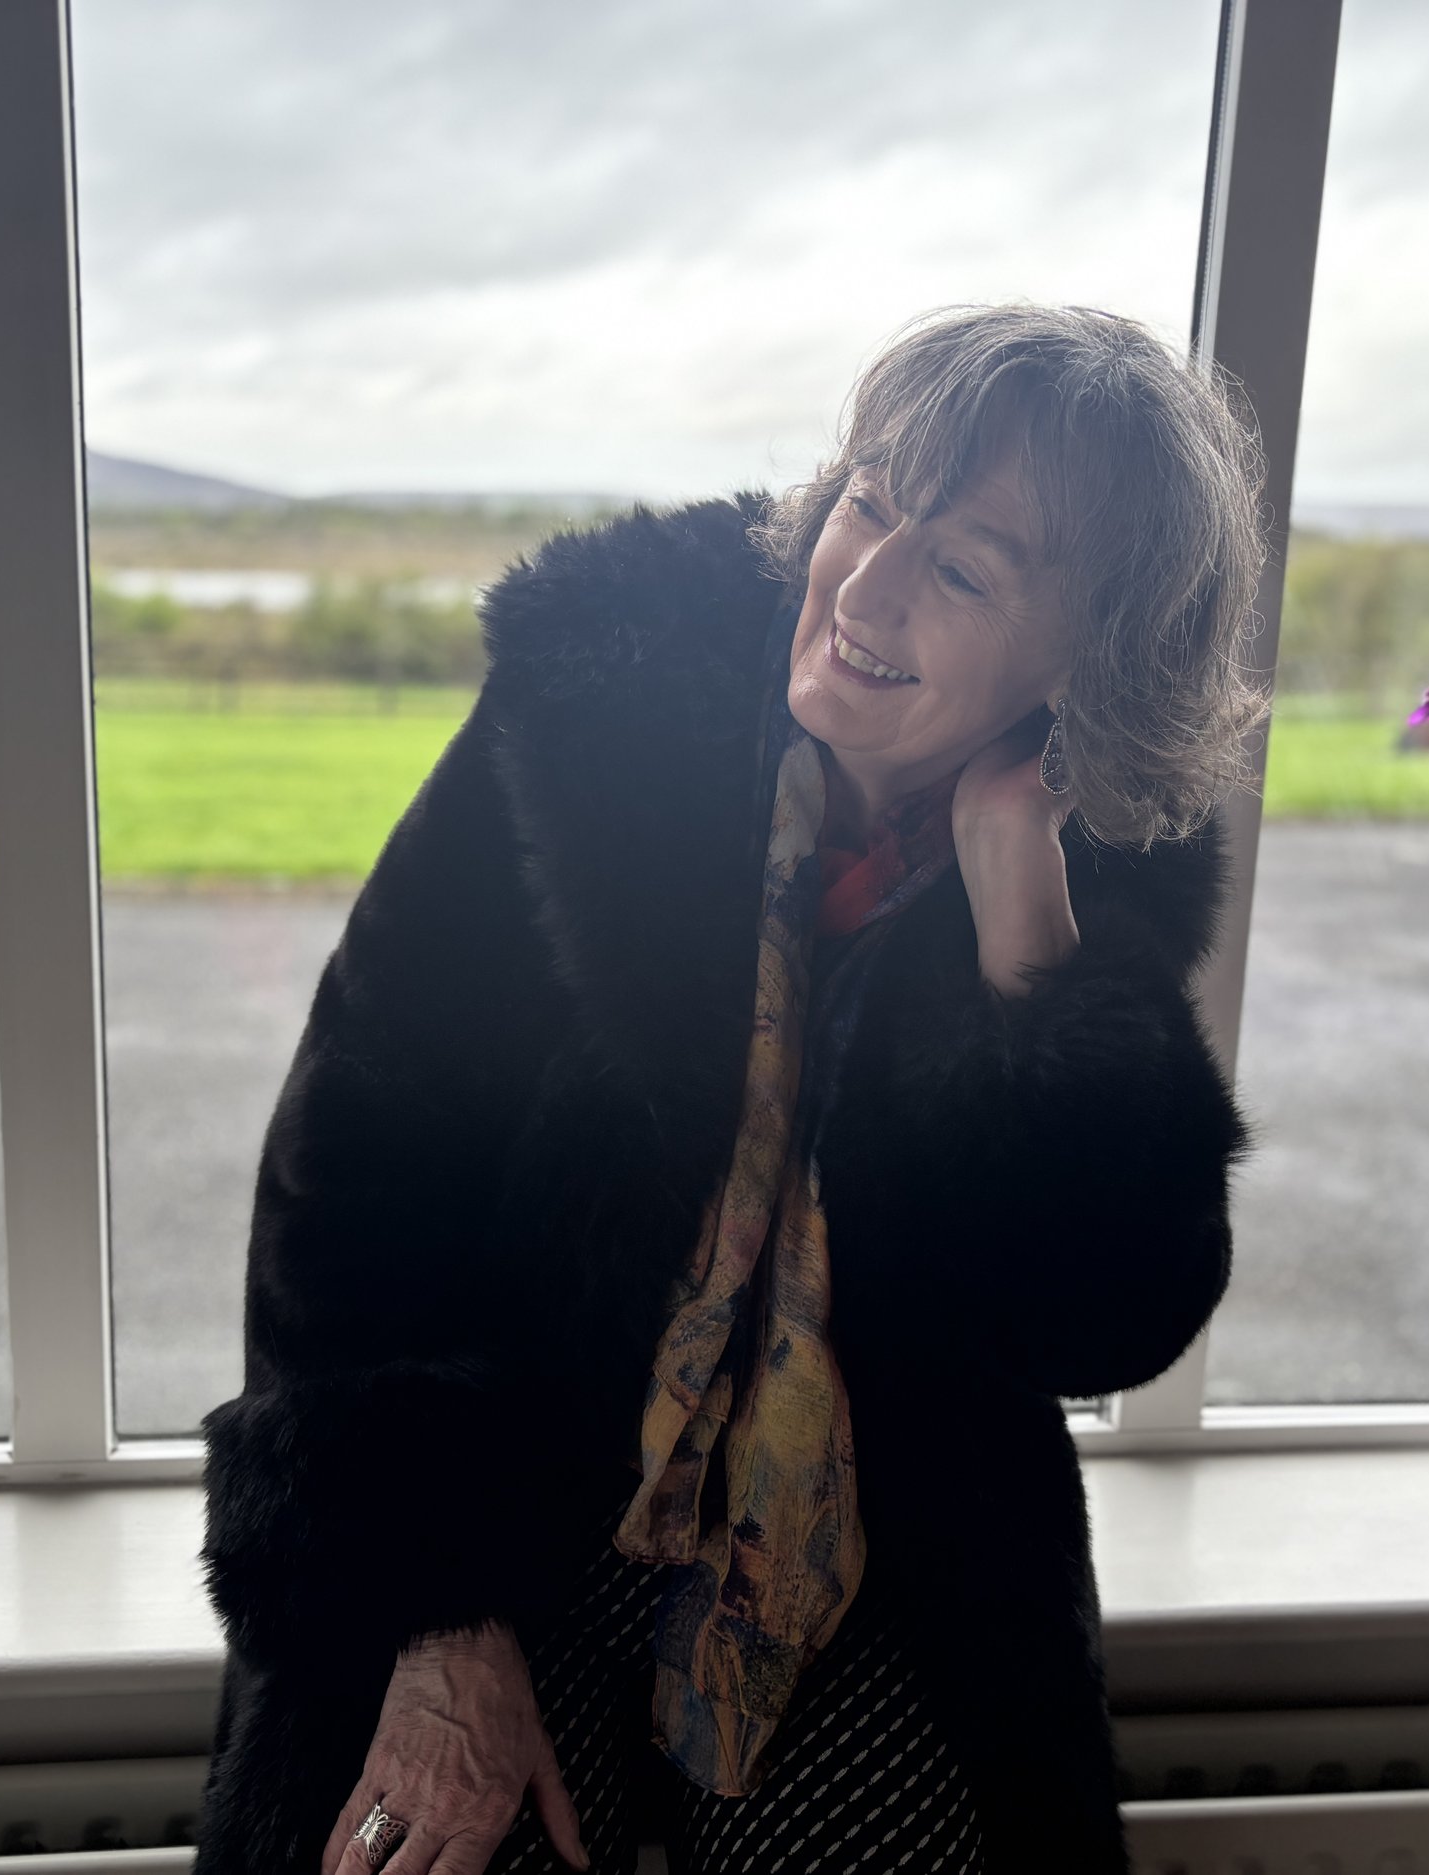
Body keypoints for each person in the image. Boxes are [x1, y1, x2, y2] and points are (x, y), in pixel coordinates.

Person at [193, 304, 1264, 1875]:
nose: (868, 588)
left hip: (859, 1540)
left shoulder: (1094, 857)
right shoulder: (590, 715)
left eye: (962, 568)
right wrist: (429, 1612)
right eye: (871, 501)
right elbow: (350, 1173)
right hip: (498, 1490)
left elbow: (1106, 1321)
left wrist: (1024, 926)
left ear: (1094, 659)